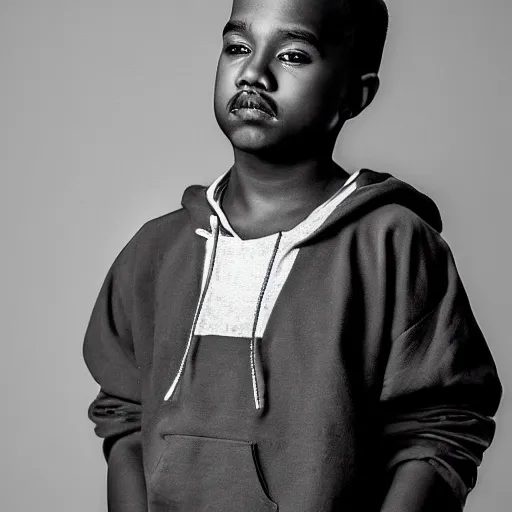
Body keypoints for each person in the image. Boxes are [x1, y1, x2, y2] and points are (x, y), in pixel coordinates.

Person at [82, 0, 502, 510]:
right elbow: (124, 415)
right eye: (238, 47)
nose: (253, 72)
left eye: (293, 55)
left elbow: (440, 428)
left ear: (356, 94)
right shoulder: (155, 250)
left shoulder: (391, 244)